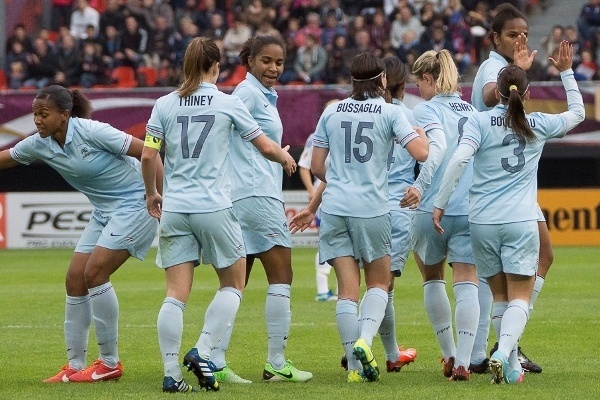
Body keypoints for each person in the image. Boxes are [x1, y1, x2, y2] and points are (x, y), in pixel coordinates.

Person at [140, 36, 297, 393]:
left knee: (175, 294)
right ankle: (204, 350)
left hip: (175, 208)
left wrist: (152, 193)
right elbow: (264, 145)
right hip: (214, 206)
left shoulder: (164, 104)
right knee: (234, 283)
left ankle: (171, 375)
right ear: (216, 67)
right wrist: (284, 157)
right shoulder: (227, 103)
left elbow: (149, 155)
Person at [433, 41, 583, 384]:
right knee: (519, 295)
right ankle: (502, 352)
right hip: (520, 220)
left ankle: (512, 368)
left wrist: (440, 202)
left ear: (497, 92)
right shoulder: (537, 123)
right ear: (526, 94)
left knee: (499, 296)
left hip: (482, 221)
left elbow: (458, 160)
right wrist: (566, 72)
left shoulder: (479, 121)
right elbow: (578, 113)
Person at [0, 85, 162, 383]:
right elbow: (5, 157)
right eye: (35, 114)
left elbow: (148, 151)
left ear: (64, 115)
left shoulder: (92, 131)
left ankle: (110, 363)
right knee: (75, 279)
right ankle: (74, 367)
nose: (36, 120)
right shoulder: (40, 143)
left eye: (43, 114)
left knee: (95, 273)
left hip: (136, 206)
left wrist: (156, 195)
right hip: (103, 212)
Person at [291, 52, 428, 383]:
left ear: (352, 80)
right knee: (379, 283)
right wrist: (420, 133)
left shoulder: (332, 111)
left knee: (346, 291)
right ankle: (366, 343)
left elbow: (319, 166)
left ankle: (354, 369)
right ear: (382, 80)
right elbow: (421, 154)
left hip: (335, 207)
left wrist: (340, 179)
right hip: (371, 207)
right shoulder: (392, 112)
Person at [208, 35, 313, 384]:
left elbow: (248, 142)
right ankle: (276, 362)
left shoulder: (261, 96)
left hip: (245, 194)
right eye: (266, 61)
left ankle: (215, 359)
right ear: (249, 60)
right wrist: (279, 156)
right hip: (256, 196)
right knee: (282, 276)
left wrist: (273, 152)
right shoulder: (247, 94)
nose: (273, 68)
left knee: (237, 281)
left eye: (279, 62)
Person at [470, 3, 547, 375]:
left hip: (505, 191)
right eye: (513, 34)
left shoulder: (503, 66)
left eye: (525, 35)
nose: (520, 40)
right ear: (495, 38)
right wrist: (518, 74)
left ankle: (509, 343)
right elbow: (489, 96)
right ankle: (508, 348)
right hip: (504, 194)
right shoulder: (493, 67)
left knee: (535, 262)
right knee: (535, 261)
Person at [401, 49, 479, 382]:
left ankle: (448, 355)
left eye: (419, 82)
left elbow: (438, 149)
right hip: (471, 208)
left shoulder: (426, 109)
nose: (418, 90)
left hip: (433, 204)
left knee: (432, 278)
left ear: (429, 79)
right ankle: (464, 360)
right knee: (467, 283)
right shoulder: (473, 110)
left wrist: (419, 185)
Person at [297, 107, 338, 302]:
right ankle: (322, 289)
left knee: (345, 244)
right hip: (324, 198)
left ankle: (341, 291)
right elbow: (304, 166)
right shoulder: (316, 137)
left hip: (342, 196)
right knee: (326, 241)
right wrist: (313, 193)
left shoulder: (342, 130)